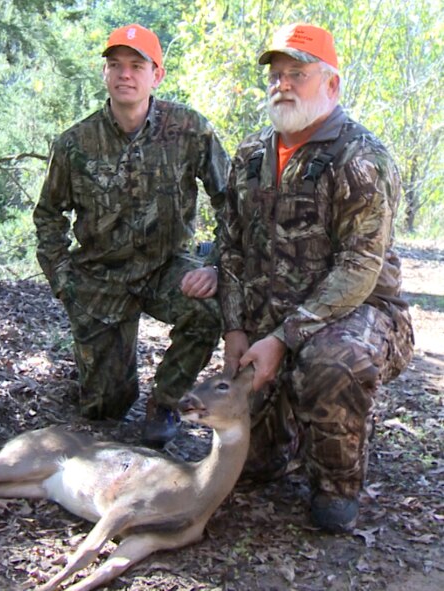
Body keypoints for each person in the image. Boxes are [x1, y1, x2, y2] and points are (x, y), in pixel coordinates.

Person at [217, 23, 414, 532]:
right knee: (254, 466)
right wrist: (236, 330)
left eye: (297, 74)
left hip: (360, 312)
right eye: (277, 75)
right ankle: (284, 440)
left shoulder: (362, 159)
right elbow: (231, 246)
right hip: (270, 310)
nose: (283, 84)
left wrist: (282, 340)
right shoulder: (251, 154)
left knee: (331, 361)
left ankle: (336, 484)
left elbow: (359, 270)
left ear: (331, 85)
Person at [34, 24, 230, 447]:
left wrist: (216, 265)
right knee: (105, 409)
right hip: (101, 278)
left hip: (167, 267)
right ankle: (102, 369)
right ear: (104, 74)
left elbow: (232, 201)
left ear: (156, 75)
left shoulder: (190, 130)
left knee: (209, 309)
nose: (125, 74)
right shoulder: (74, 143)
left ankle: (165, 401)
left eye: (137, 65)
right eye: (115, 65)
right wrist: (63, 281)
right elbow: (49, 216)